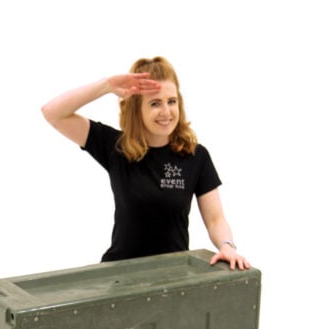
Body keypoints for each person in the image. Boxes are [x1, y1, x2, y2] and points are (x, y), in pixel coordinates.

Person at [41, 56, 250, 270]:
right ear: (137, 108)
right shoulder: (116, 148)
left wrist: (227, 246)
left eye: (171, 101)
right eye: (155, 103)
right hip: (119, 275)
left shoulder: (196, 156)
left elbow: (215, 219)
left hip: (173, 276)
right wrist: (107, 85)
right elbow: (53, 113)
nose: (166, 112)